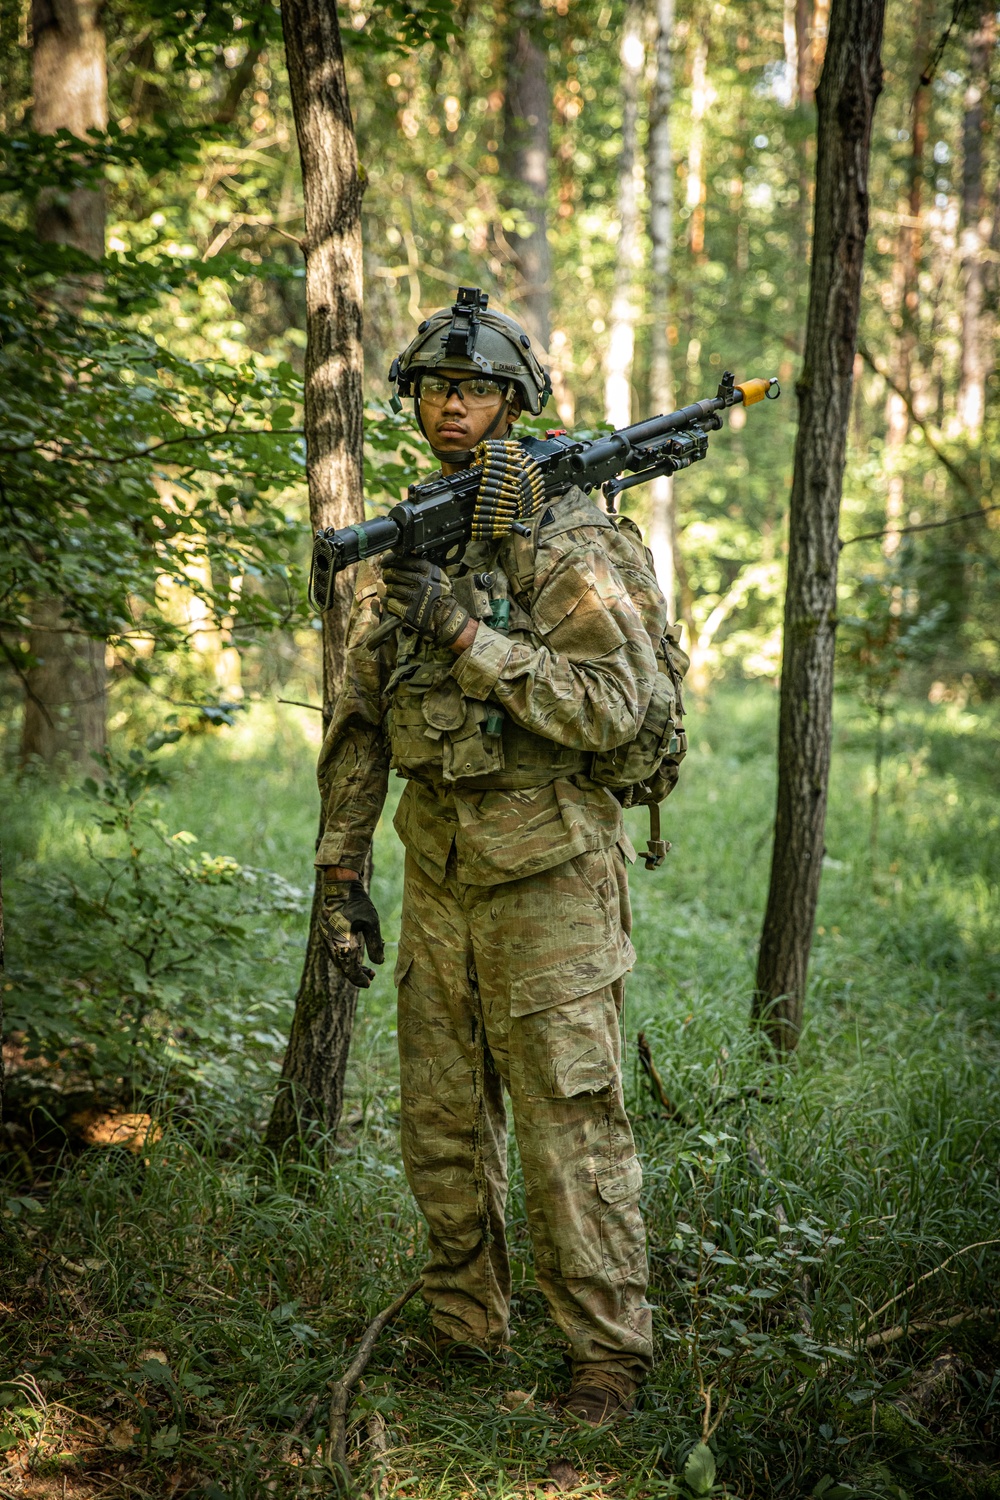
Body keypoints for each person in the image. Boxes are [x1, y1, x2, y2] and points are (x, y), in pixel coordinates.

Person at [315, 288, 665, 1425]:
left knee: (570, 1125)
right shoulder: (414, 534)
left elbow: (613, 707)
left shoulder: (567, 538)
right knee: (444, 1124)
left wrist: (468, 636)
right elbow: (363, 717)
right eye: (431, 388)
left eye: (472, 389)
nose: (448, 406)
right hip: (440, 875)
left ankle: (604, 1358)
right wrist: (339, 864)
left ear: (513, 402)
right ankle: (464, 1326)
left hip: (551, 873)